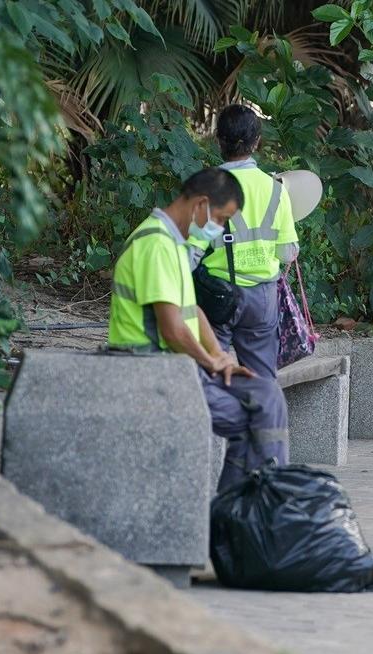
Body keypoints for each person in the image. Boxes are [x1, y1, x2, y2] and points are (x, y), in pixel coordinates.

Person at [108, 168, 290, 489]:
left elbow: (193, 312)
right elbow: (172, 330)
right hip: (152, 367)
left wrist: (220, 356)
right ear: (201, 204)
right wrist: (210, 362)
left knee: (266, 392)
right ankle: (252, 505)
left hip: (182, 365)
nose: (218, 229)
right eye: (220, 219)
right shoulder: (155, 245)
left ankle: (262, 497)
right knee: (249, 420)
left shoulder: (176, 244)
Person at [190, 104, 300, 379]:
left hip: (218, 295)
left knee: (210, 374)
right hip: (263, 299)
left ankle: (215, 421)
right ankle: (265, 421)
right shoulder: (277, 189)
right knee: (262, 379)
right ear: (257, 142)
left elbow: (190, 254)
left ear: (218, 141)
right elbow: (288, 253)